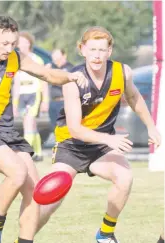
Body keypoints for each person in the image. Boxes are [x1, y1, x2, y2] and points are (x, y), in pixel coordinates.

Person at [0, 16, 88, 243]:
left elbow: (47, 74)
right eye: (4, 44)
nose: (9, 49)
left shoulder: (15, 58)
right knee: (18, 172)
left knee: (36, 194)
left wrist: (70, 76)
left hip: (6, 132)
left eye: (13, 43)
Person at [35, 26, 162, 243]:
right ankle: (24, 239)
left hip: (100, 148)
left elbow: (134, 98)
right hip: (71, 144)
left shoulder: (122, 72)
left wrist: (151, 126)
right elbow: (75, 129)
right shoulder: (73, 80)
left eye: (102, 50)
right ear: (82, 50)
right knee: (50, 201)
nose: (97, 55)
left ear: (110, 51)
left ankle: (105, 234)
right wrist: (109, 139)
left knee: (124, 177)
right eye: (92, 49)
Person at [13, 32, 48, 162]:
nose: (22, 44)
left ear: (29, 43)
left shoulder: (37, 59)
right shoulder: (15, 59)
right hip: (22, 95)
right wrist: (15, 104)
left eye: (24, 41)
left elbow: (44, 80)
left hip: (34, 94)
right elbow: (16, 83)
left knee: (28, 123)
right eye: (19, 42)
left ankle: (25, 153)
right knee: (30, 125)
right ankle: (38, 153)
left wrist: (45, 100)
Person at [44, 49, 74, 147]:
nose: (56, 60)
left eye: (58, 58)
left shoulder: (70, 68)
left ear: (64, 56)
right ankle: (60, 146)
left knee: (65, 126)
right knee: (55, 127)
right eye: (54, 58)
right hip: (53, 102)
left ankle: (69, 147)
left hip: (64, 102)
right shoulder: (51, 67)